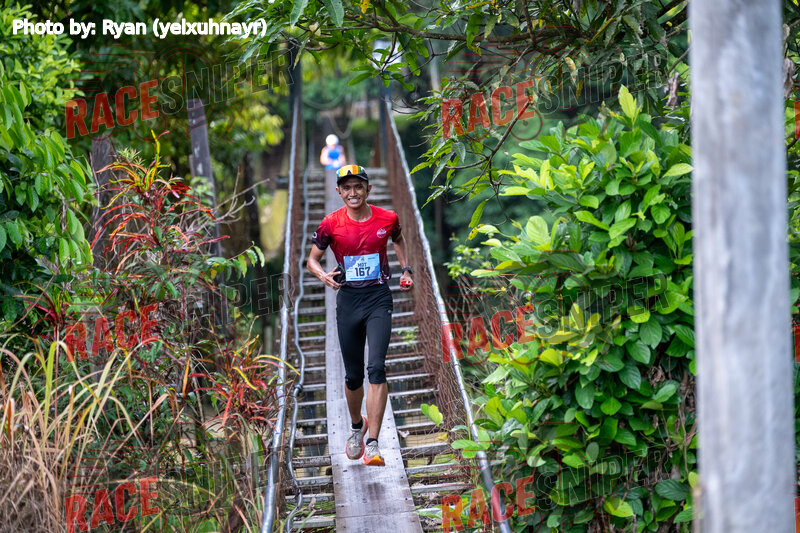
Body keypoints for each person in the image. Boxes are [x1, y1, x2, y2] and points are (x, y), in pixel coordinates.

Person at [307, 164, 414, 466]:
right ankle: (357, 426)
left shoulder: (388, 218)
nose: (353, 193)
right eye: (347, 188)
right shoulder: (330, 223)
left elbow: (398, 239)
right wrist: (322, 275)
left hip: (378, 298)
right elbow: (312, 259)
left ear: (368, 189)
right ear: (339, 192)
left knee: (376, 368)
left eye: (358, 186)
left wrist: (406, 269)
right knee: (353, 376)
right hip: (349, 300)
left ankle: (373, 443)